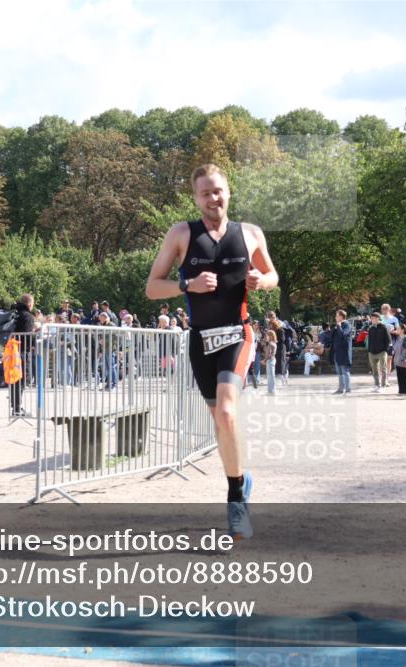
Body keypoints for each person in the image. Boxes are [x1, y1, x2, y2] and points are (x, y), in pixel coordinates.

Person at [145, 163, 278, 540]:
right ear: (196, 197)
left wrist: (261, 280)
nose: (212, 198)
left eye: (217, 190)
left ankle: (236, 500)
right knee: (221, 423)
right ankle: (242, 478)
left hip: (238, 334)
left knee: (226, 410)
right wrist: (188, 284)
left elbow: (272, 275)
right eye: (205, 192)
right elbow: (153, 288)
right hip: (201, 339)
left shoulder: (250, 234)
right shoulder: (182, 233)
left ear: (228, 191)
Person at [10, 294, 37, 416]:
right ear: (30, 304)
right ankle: (17, 408)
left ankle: (15, 406)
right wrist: (34, 335)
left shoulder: (15, 313)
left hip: (11, 350)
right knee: (21, 379)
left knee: (15, 379)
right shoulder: (28, 316)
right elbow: (26, 335)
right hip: (21, 351)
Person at [366, 312, 391, 393]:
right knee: (374, 370)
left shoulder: (384, 327)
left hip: (382, 351)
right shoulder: (371, 328)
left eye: (373, 318)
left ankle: (383, 385)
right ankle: (377, 385)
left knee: (383, 369)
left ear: (377, 318)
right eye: (371, 318)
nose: (372, 320)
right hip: (372, 352)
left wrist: (385, 350)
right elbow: (369, 340)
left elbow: (388, 340)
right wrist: (369, 350)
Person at [331, 309, 353, 395]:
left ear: (341, 316)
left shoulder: (347, 325)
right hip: (337, 352)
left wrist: (339, 327)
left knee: (345, 371)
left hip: (344, 352)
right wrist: (335, 327)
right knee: (339, 372)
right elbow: (331, 337)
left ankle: (348, 389)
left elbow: (343, 335)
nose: (335, 317)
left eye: (337, 315)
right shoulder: (337, 325)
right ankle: (340, 389)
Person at [390, 324, 406, 395]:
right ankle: (401, 390)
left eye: (398, 329)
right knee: (399, 376)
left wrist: (402, 358)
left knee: (405, 376)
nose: (396, 330)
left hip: (404, 360)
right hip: (397, 360)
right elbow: (394, 348)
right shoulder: (397, 338)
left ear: (402, 330)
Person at [264, 329, 278, 395]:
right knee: (270, 376)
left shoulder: (270, 343)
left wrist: (264, 360)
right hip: (272, 360)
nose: (266, 337)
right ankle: (270, 390)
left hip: (270, 360)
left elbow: (269, 354)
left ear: (270, 336)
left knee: (270, 376)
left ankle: (272, 390)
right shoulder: (274, 343)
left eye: (267, 336)